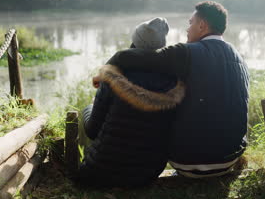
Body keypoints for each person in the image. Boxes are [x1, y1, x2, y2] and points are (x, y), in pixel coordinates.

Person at [95, 1, 250, 178]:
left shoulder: (187, 52)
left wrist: (105, 71)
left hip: (186, 161)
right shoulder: (240, 58)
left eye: (190, 23)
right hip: (228, 160)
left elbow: (135, 57)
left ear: (202, 25)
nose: (187, 29)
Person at [77, 18, 185, 187]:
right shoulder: (175, 84)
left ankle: (79, 161)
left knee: (86, 111)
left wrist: (90, 108)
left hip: (99, 172)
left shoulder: (114, 76)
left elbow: (92, 131)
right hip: (147, 175)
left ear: (134, 41)